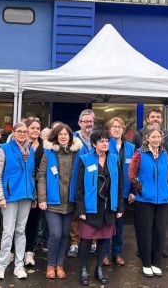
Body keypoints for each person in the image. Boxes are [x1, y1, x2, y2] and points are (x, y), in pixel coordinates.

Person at [75, 130, 123, 285]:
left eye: (107, 141)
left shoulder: (115, 159)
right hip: (91, 207)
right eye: (102, 141)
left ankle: (99, 269)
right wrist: (81, 209)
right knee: (86, 240)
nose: (105, 144)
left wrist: (120, 207)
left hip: (109, 206)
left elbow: (120, 185)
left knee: (105, 240)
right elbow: (79, 187)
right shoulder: (85, 159)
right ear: (94, 144)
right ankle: (83, 270)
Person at [38, 124, 82, 279]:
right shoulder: (48, 153)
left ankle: (60, 264)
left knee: (65, 234)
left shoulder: (77, 153)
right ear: (55, 137)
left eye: (66, 134)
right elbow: (41, 176)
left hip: (70, 202)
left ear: (70, 136)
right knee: (55, 234)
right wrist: (42, 198)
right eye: (60, 134)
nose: (63, 137)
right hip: (52, 202)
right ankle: (50, 265)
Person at [0, 122, 36, 280]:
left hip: (25, 196)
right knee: (8, 232)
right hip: (9, 197)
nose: (23, 133)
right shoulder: (4, 149)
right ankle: (1, 266)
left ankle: (19, 265)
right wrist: (0, 197)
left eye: (25, 131)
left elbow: (31, 175)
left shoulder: (30, 150)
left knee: (20, 232)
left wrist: (34, 194)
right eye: (19, 131)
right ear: (14, 132)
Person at [128, 125, 168, 277]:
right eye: (153, 137)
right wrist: (142, 190)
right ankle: (146, 263)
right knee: (145, 232)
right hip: (144, 200)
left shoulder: (164, 153)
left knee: (160, 232)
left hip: (163, 200)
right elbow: (131, 175)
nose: (156, 139)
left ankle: (156, 263)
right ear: (147, 138)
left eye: (158, 137)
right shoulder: (139, 153)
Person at [102, 117, 135, 267]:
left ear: (123, 130)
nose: (117, 129)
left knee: (119, 225)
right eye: (114, 127)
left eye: (119, 127)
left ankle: (117, 253)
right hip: (106, 193)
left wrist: (133, 191)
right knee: (106, 224)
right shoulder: (104, 145)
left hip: (123, 192)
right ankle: (104, 254)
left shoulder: (131, 148)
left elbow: (135, 172)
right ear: (109, 130)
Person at [68, 109, 95, 258]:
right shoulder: (73, 138)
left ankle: (92, 242)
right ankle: (74, 243)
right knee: (76, 213)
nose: (88, 124)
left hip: (93, 181)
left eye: (90, 121)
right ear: (79, 123)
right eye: (85, 121)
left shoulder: (98, 138)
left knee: (93, 212)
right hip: (76, 179)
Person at [24, 118, 44, 267]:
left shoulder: (45, 147)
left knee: (33, 222)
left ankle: (29, 252)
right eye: (32, 128)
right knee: (19, 224)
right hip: (23, 188)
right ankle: (13, 251)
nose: (35, 130)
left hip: (39, 188)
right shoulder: (21, 145)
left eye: (38, 128)